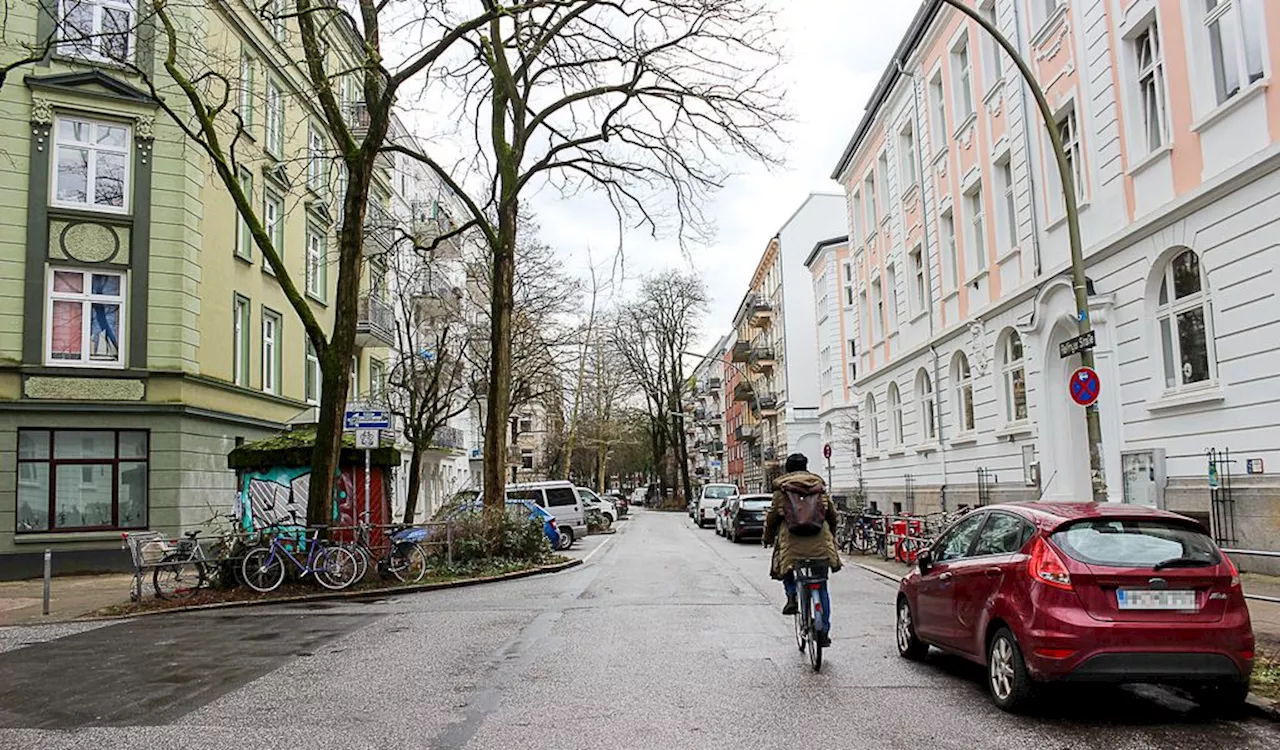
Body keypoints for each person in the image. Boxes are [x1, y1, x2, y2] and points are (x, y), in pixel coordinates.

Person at [762, 452, 841, 647]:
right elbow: (832, 515)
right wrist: (831, 535)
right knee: (821, 586)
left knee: (786, 565)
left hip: (792, 542)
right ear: (806, 467)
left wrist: (767, 537)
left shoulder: (782, 490)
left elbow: (772, 517)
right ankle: (824, 630)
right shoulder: (819, 487)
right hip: (820, 542)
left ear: (787, 469)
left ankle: (791, 596)